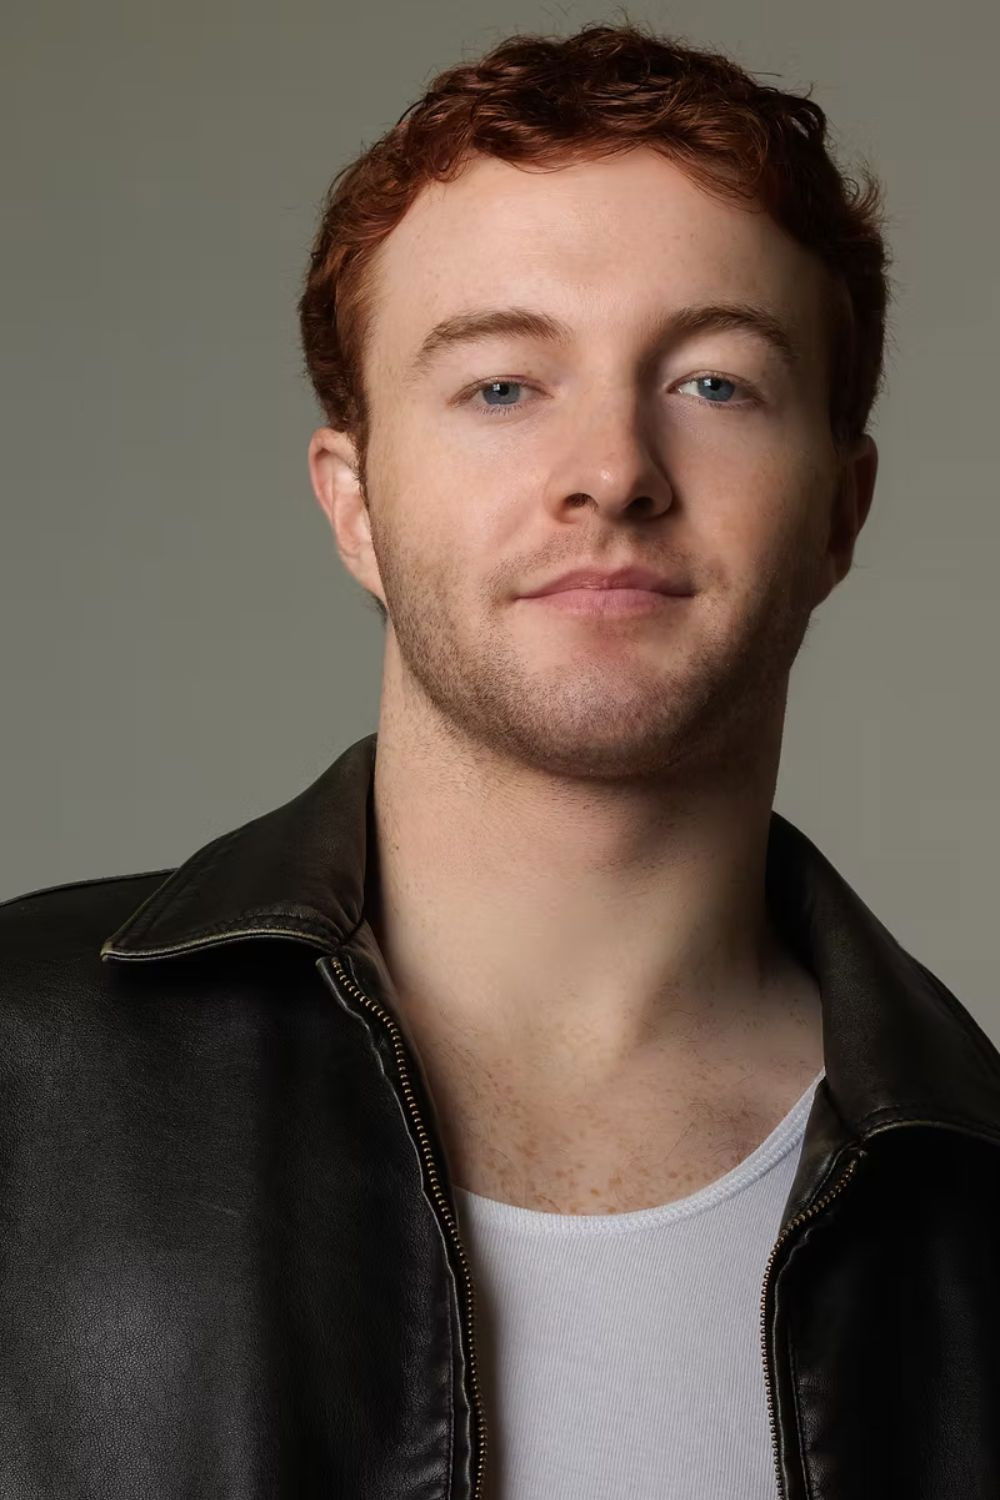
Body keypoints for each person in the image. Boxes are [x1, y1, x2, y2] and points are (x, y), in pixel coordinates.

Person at [2, 20, 999, 1500]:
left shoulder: (975, 1192)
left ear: (840, 513)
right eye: (501, 387)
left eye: (715, 383)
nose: (612, 472)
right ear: (355, 506)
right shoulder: (20, 1076)